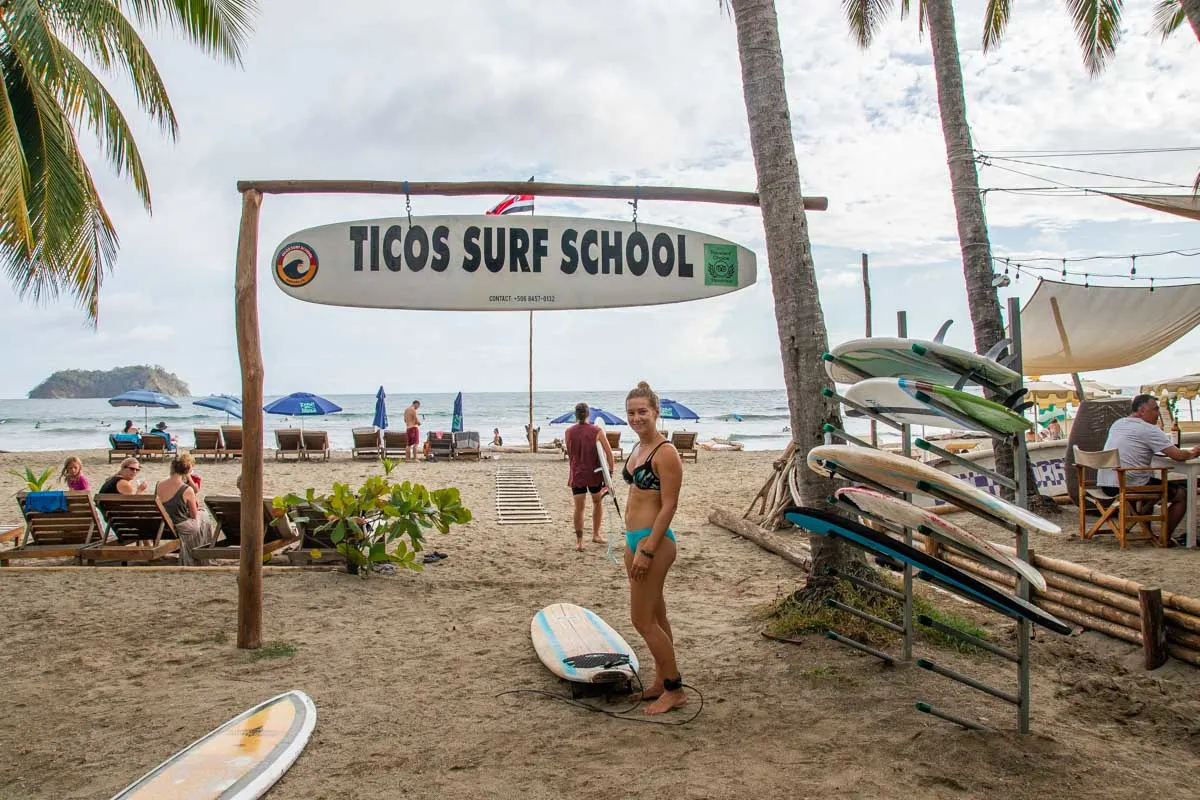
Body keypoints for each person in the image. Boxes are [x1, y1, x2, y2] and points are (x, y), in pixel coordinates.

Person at [621, 381, 686, 715]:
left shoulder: (666, 452)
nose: (636, 418)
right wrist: (632, 546)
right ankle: (661, 680)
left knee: (641, 620)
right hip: (635, 541)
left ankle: (675, 688)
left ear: (656, 412)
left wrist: (647, 550)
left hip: (654, 543)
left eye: (642, 411)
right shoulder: (636, 449)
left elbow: (669, 505)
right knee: (657, 615)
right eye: (631, 412)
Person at [1099, 394, 1200, 544]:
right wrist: (1193, 452)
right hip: (1128, 484)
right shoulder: (1149, 430)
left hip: (1106, 483)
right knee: (1181, 495)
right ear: (1141, 410)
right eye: (1155, 409)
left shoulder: (1118, 423)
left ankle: (1149, 534)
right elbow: (1178, 456)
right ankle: (1164, 538)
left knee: (1149, 483)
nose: (1158, 413)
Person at [564, 403, 615, 552]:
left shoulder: (568, 432)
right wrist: (610, 473)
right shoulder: (597, 431)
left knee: (579, 508)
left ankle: (579, 542)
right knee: (597, 502)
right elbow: (609, 454)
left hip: (577, 474)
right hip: (594, 474)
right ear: (588, 415)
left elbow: (571, 453)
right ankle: (596, 535)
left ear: (575, 415)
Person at [155, 454, 216, 566]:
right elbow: (193, 515)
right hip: (181, 526)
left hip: (162, 525)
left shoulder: (159, 484)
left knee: (202, 515)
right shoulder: (187, 489)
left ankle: (198, 553)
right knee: (204, 515)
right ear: (187, 471)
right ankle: (201, 555)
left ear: (172, 468)